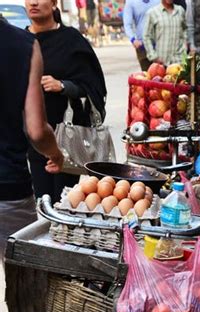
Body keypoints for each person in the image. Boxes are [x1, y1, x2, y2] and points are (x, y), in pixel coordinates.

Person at [0, 18, 64, 312]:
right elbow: (37, 129)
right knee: (24, 273)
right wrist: (55, 155)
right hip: (6, 186)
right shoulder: (23, 45)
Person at [25, 0, 107, 203]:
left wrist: (63, 86)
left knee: (64, 202)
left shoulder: (72, 40)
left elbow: (93, 85)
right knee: (41, 201)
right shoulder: (20, 40)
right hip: (29, 136)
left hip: (67, 137)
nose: (33, 2)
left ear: (54, 4)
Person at [143, 0, 187, 66]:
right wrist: (153, 56)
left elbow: (185, 31)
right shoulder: (152, 12)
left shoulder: (180, 11)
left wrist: (184, 50)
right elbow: (146, 36)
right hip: (161, 63)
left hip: (179, 62)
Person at [123, 0, 163, 71]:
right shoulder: (131, 2)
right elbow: (127, 24)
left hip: (160, 45)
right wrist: (133, 40)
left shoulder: (159, 1)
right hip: (142, 46)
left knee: (163, 76)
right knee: (147, 76)